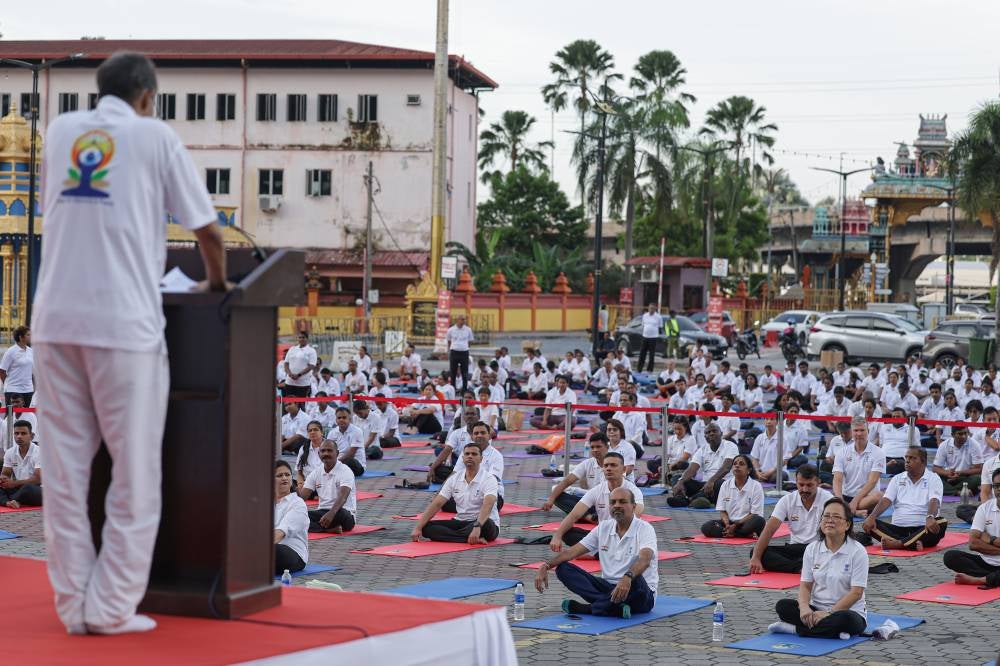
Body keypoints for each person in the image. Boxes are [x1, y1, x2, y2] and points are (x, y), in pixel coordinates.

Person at [33, 53, 227, 635]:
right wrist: (216, 283)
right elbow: (208, 231)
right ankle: (111, 608)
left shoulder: (61, 130)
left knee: (65, 474)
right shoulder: (155, 136)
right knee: (134, 473)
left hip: (54, 322)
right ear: (147, 96)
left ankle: (73, 608)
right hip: (123, 327)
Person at [535, 487, 657, 619]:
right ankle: (612, 606)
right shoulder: (604, 527)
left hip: (640, 593)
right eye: (613, 502)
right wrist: (546, 566)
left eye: (622, 502)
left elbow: (645, 560)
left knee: (636, 578)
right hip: (608, 588)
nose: (617, 506)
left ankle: (589, 608)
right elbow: (572, 552)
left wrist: (627, 577)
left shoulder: (645, 529)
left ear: (633, 506)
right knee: (563, 569)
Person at [769, 497, 869, 639]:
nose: (830, 520)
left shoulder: (857, 551)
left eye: (836, 517)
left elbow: (856, 593)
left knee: (847, 620)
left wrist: (829, 613)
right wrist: (804, 607)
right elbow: (805, 586)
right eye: (826, 516)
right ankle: (832, 631)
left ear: (847, 524)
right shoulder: (812, 549)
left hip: (846, 612)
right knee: (783, 606)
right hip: (815, 610)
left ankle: (795, 630)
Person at [411, 441, 499, 543]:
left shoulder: (489, 478)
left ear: (481, 459)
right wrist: (418, 527)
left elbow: (488, 504)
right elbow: (437, 503)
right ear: (462, 458)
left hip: (482, 523)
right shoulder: (454, 478)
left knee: (487, 524)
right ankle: (466, 539)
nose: (470, 456)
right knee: (426, 527)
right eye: (467, 454)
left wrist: (477, 526)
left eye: (474, 454)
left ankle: (464, 535)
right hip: (461, 522)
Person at [750, 465, 833, 573]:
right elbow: (769, 530)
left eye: (809, 485)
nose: (805, 489)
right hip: (795, 548)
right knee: (756, 552)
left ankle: (803, 565)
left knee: (831, 556)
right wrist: (756, 557)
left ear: (818, 482)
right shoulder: (787, 500)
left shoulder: (829, 500)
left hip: (819, 548)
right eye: (801, 484)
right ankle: (800, 567)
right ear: (796, 482)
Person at [862, 446, 947, 551]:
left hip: (923, 528)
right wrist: (872, 516)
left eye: (912, 458)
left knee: (941, 523)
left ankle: (897, 544)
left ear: (923, 461)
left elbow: (934, 500)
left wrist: (930, 517)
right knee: (869, 522)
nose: (907, 461)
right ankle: (910, 543)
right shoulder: (897, 478)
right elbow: (886, 500)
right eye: (906, 457)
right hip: (897, 529)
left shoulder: (933, 478)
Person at [550, 453, 643, 548]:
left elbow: (637, 514)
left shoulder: (633, 490)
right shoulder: (598, 490)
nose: (608, 468)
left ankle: (599, 551)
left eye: (613, 465)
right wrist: (557, 536)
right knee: (567, 534)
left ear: (623, 469)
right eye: (606, 466)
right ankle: (601, 551)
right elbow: (574, 515)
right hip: (603, 536)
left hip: (624, 537)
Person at [943, 468, 1000, 588]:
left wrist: (986, 537)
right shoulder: (985, 508)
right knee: (951, 557)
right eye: (996, 486)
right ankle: (992, 577)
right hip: (985, 562)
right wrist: (994, 540)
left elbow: (979, 539)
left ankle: (980, 580)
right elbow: (973, 543)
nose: (999, 489)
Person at [667, 422, 737, 509]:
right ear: (705, 437)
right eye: (708, 432)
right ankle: (683, 498)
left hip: (722, 484)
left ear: (721, 434)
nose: (711, 434)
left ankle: (689, 500)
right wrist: (680, 482)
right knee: (677, 477)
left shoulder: (730, 446)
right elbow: (692, 469)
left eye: (714, 431)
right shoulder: (702, 450)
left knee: (720, 483)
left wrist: (711, 481)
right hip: (705, 486)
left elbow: (726, 468)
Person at [542, 434, 608, 518]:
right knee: (557, 495)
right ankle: (589, 517)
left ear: (607, 447)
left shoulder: (615, 462)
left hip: (609, 504)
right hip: (591, 502)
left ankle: (584, 516)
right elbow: (566, 481)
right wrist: (550, 500)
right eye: (592, 447)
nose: (595, 450)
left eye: (598, 447)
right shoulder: (588, 463)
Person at [700, 454, 767, 538]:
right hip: (730, 522)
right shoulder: (725, 485)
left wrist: (735, 525)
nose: (737, 466)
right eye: (735, 464)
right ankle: (735, 533)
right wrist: (727, 524)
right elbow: (722, 511)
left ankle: (732, 533)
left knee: (759, 521)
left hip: (746, 522)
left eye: (741, 464)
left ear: (748, 470)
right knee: (706, 527)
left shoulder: (756, 486)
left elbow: (754, 514)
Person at [299, 441, 356, 534]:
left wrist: (332, 513)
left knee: (342, 513)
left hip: (342, 514)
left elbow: (343, 497)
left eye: (329, 451)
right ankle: (327, 530)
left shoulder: (346, 471)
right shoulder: (316, 472)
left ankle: (317, 527)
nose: (326, 453)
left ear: (337, 453)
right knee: (299, 517)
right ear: (319, 454)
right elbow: (303, 497)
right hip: (322, 513)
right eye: (323, 451)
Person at [832, 417, 885, 516]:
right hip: (846, 496)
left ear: (868, 431)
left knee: (880, 496)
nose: (859, 434)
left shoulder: (878, 452)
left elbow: (872, 482)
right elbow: (837, 479)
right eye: (856, 430)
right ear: (851, 432)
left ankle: (843, 510)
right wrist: (839, 500)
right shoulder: (842, 452)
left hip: (866, 497)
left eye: (862, 430)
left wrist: (855, 501)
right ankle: (854, 512)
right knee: (822, 495)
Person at [273, 460, 309, 576]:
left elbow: (280, 534)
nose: (284, 478)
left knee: (272, 551)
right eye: (279, 475)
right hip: (270, 547)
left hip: (293, 554)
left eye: (287, 475)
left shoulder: (297, 503)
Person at [427, 405, 480, 483]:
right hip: (459, 462)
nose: (470, 416)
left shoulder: (483, 433)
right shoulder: (457, 433)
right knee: (437, 468)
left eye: (472, 414)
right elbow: (447, 450)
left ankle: (457, 478)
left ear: (478, 417)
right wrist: (432, 468)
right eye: (467, 414)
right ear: (463, 417)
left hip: (476, 465)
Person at [0, 420, 42, 508]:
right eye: (16, 433)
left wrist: (13, 483)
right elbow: (5, 473)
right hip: (19, 488)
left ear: (31, 436)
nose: (19, 436)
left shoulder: (39, 452)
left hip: (39, 489)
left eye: (23, 433)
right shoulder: (10, 452)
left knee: (28, 488)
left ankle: (7, 500)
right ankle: (10, 502)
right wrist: (3, 480)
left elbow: (37, 479)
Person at [932, 426, 982, 496]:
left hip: (966, 477)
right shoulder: (944, 445)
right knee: (934, 477)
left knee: (977, 479)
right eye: (960, 434)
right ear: (952, 435)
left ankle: (949, 491)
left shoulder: (974, 444)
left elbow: (979, 469)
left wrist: (960, 473)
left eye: (965, 433)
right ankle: (959, 492)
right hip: (949, 477)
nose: (964, 436)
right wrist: (947, 473)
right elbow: (935, 468)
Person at [0, 326, 34, 407]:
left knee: (25, 416)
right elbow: (2, 371)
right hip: (13, 389)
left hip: (28, 389)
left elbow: (32, 370)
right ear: (20, 337)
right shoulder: (11, 352)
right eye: (28, 335)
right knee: (12, 416)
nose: (30, 337)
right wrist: (8, 385)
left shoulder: (31, 351)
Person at [328, 407, 366, 477]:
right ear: (336, 420)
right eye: (339, 418)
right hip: (338, 462)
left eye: (344, 417)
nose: (341, 420)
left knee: (349, 461)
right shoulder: (332, 433)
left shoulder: (357, 431)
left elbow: (351, 453)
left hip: (356, 465)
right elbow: (329, 450)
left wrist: (335, 462)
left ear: (350, 419)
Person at [283, 332, 317, 398]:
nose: (301, 339)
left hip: (303, 383)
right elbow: (286, 363)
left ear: (307, 339)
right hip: (290, 382)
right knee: (289, 403)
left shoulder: (311, 351)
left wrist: (299, 375)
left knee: (301, 404)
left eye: (303, 337)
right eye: (300, 337)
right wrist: (290, 374)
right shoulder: (292, 349)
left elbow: (311, 366)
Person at [295, 420, 328, 488]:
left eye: (315, 429)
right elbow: (299, 472)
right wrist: (300, 483)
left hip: (325, 484)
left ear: (322, 432)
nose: (312, 432)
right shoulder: (303, 448)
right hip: (307, 485)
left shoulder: (329, 447)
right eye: (310, 430)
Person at [446, 314, 474, 392]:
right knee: (453, 373)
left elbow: (470, 341)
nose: (463, 321)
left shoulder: (468, 329)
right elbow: (449, 341)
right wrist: (451, 349)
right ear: (457, 320)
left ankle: (464, 391)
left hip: (464, 353)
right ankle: (452, 390)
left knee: (465, 373)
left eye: (464, 319)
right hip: (454, 352)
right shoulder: (451, 330)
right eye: (462, 319)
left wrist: (464, 347)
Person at [637, 303, 660, 374]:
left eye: (653, 308)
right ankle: (639, 369)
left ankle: (649, 370)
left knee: (651, 355)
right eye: (650, 308)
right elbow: (643, 325)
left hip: (653, 337)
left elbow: (660, 326)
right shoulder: (645, 316)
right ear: (648, 308)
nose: (651, 310)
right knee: (642, 353)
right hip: (645, 336)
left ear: (655, 309)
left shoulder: (658, 317)